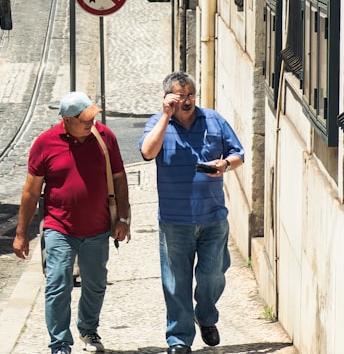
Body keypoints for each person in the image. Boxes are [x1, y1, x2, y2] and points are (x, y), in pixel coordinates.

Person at [13, 92, 131, 354]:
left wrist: (123, 218)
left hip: (98, 227)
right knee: (57, 283)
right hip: (59, 228)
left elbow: (120, 178)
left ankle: (88, 330)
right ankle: (59, 344)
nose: (91, 123)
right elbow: (31, 192)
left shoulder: (105, 138)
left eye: (92, 117)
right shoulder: (45, 144)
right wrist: (21, 233)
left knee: (96, 283)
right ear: (66, 120)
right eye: (84, 119)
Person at [138, 72, 245, 354]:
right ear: (167, 98)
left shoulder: (213, 120)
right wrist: (165, 116)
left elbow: (238, 154)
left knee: (213, 275)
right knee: (175, 282)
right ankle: (179, 339)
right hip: (175, 220)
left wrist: (225, 164)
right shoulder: (157, 123)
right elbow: (148, 153)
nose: (186, 101)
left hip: (213, 217)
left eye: (190, 95)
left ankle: (206, 315)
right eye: (179, 96)